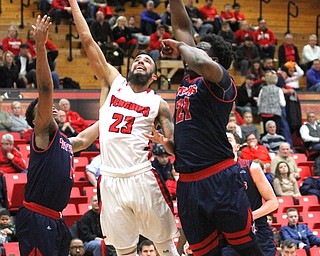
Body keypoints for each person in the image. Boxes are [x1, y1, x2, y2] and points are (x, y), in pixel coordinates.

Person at [150, 0, 265, 254]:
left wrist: (181, 46)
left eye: (198, 49)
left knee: (247, 248)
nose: (189, 51)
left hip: (219, 177)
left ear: (213, 60)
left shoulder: (222, 82)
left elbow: (197, 58)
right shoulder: (191, 76)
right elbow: (181, 25)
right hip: (188, 183)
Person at [68, 1, 180, 255]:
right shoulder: (114, 82)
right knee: (124, 249)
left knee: (164, 245)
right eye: (137, 59)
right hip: (110, 179)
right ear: (130, 69)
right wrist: (74, 3)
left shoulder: (159, 104)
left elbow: (174, 150)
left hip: (142, 175)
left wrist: (163, 142)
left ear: (154, 76)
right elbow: (87, 40)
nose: (141, 61)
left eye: (146, 61)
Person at [15, 15, 100, 256]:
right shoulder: (41, 132)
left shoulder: (64, 142)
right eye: (45, 109)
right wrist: (40, 47)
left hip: (56, 219)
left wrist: (111, 114)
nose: (52, 108)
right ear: (37, 119)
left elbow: (83, 140)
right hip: (38, 217)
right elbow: (45, 89)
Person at [221, 131, 278, 256]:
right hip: (228, 236)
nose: (224, 141)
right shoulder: (212, 175)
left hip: (257, 232)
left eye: (229, 139)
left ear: (237, 146)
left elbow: (273, 202)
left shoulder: (252, 167)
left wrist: (249, 217)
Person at [257, 70, 286, 135]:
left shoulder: (262, 89)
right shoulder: (278, 89)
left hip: (264, 114)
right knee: (275, 131)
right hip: (275, 114)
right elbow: (283, 103)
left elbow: (258, 103)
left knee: (265, 132)